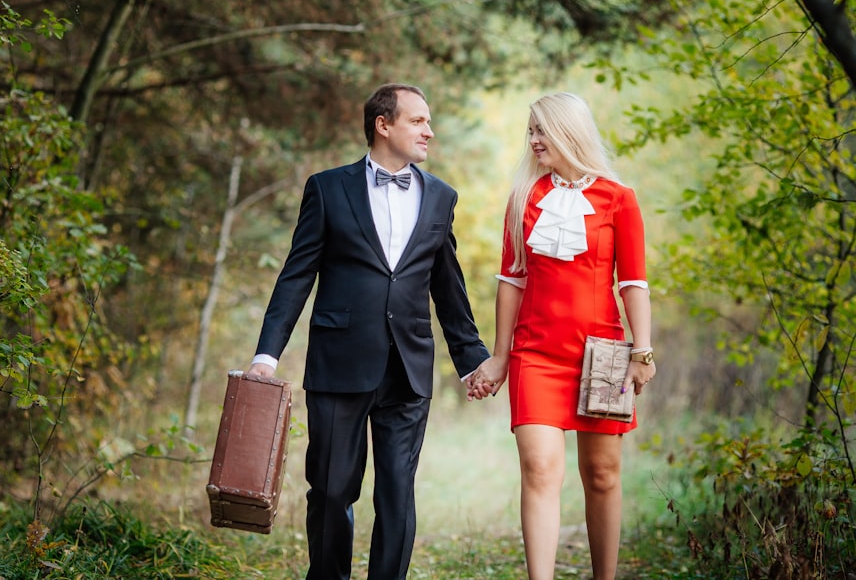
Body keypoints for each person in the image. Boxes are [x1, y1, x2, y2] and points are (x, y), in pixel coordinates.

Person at [247, 83, 490, 580]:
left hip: (409, 368)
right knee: (333, 489)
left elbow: (448, 285)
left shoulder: (441, 197)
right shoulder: (327, 188)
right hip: (340, 365)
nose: (430, 130)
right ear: (384, 125)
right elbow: (296, 276)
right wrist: (266, 355)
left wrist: (472, 360)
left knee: (398, 493)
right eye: (418, 121)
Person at [467, 91, 655, 580]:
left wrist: (643, 350)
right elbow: (511, 281)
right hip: (536, 356)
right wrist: (500, 357)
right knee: (541, 470)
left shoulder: (619, 198)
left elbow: (633, 283)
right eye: (530, 131)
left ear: (569, 133)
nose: (532, 141)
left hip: (606, 356)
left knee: (602, 475)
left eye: (540, 131)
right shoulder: (524, 199)